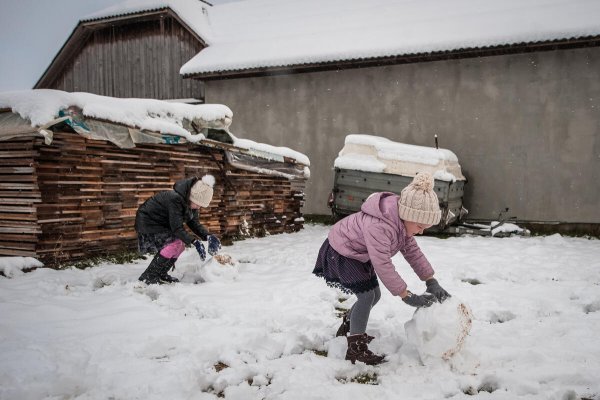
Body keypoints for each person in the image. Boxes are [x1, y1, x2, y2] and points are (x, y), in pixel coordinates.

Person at [313, 172, 451, 365]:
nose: (422, 231)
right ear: (408, 215)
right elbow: (382, 263)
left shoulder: (401, 224)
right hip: (343, 251)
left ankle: (349, 327)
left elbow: (413, 253)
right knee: (367, 296)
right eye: (420, 226)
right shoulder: (380, 226)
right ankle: (356, 348)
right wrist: (406, 295)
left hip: (357, 253)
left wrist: (431, 281)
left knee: (374, 296)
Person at [135, 175, 221, 284]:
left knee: (180, 246)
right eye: (198, 204)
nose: (199, 207)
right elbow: (177, 228)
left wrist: (208, 236)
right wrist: (194, 241)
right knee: (174, 244)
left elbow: (194, 223)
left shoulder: (190, 204)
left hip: (163, 224)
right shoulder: (175, 199)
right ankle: (149, 276)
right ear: (192, 197)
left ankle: (161, 273)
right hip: (149, 222)